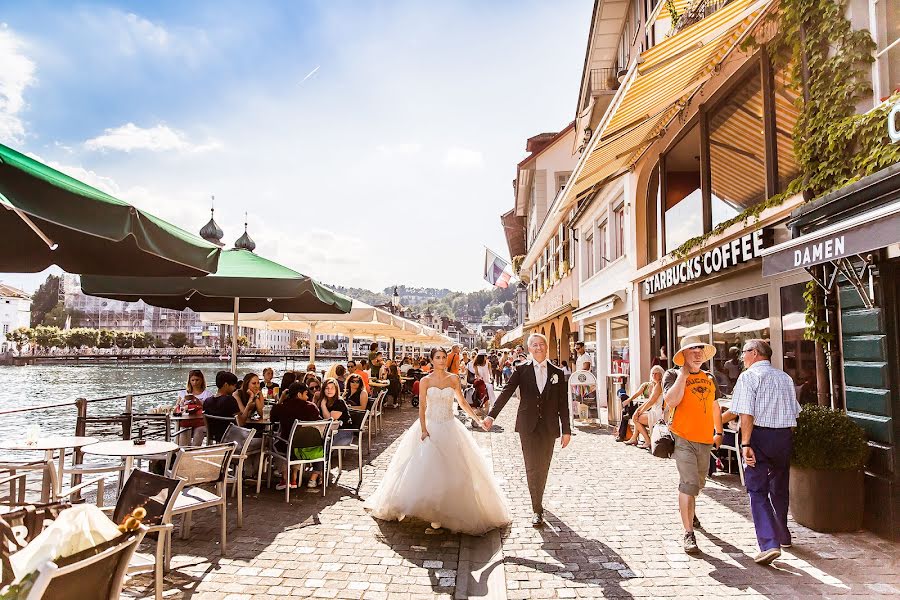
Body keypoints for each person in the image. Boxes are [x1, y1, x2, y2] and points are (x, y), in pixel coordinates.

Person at [365, 347, 511, 535]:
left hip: (450, 426)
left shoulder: (453, 378)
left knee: (453, 469)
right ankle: (428, 510)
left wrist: (478, 420)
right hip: (430, 427)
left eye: (444, 357)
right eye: (438, 357)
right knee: (425, 468)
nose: (441, 360)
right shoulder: (425, 380)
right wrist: (424, 429)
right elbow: (422, 407)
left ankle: (444, 513)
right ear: (432, 360)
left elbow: (462, 403)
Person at [483, 333, 571, 527]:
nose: (538, 348)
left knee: (544, 466)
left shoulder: (557, 372)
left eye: (541, 344)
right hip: (527, 426)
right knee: (532, 466)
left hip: (548, 426)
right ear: (529, 349)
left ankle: (538, 497)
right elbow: (506, 392)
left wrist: (567, 429)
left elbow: (563, 403)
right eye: (534, 345)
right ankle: (537, 509)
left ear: (546, 347)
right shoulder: (521, 370)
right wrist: (491, 416)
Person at [730, 339, 801, 566]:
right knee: (779, 487)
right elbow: (795, 413)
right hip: (783, 437)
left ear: (754, 353)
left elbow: (746, 414)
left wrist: (745, 444)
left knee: (757, 490)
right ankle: (782, 535)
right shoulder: (785, 378)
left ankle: (770, 544)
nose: (742, 357)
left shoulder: (748, 377)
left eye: (743, 352)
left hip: (759, 436)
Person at [662, 336, 724, 555]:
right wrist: (683, 375)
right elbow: (671, 401)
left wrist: (719, 431)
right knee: (688, 483)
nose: (697, 353)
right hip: (683, 438)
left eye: (700, 349)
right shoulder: (672, 375)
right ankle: (688, 533)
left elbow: (715, 406)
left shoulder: (709, 377)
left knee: (697, 484)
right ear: (683, 355)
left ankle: (690, 511)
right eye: (692, 350)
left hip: (705, 439)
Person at [270, 381, 324, 490]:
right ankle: (294, 476)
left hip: (289, 448)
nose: (308, 396)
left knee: (273, 441)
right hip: (309, 449)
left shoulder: (282, 407)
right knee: (298, 440)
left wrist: (281, 400)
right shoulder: (311, 407)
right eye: (306, 394)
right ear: (299, 394)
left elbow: (272, 419)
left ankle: (285, 478)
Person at [203, 371, 257, 442]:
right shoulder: (229, 400)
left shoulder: (207, 401)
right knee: (266, 440)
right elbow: (241, 423)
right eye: (233, 385)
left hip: (216, 439)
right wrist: (248, 407)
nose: (235, 388)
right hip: (233, 441)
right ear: (226, 385)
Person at [626, 366, 666, 447]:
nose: (653, 375)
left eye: (656, 374)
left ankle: (648, 441)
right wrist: (638, 410)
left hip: (658, 414)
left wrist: (639, 411)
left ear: (661, 375)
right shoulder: (655, 385)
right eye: (652, 373)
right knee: (637, 415)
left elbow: (651, 402)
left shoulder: (659, 385)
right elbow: (649, 401)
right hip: (655, 411)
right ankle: (634, 438)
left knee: (635, 418)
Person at [174, 369, 212, 446]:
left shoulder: (207, 394)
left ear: (202, 380)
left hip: (201, 422)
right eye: (193, 380)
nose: (195, 382)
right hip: (186, 422)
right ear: (189, 381)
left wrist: (197, 401)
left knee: (198, 434)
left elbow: (210, 410)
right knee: (184, 436)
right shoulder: (183, 393)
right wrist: (182, 402)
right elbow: (175, 410)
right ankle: (183, 453)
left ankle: (193, 453)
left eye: (197, 380)